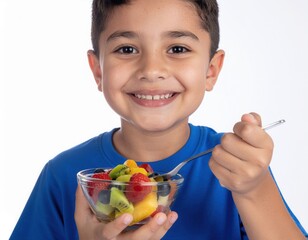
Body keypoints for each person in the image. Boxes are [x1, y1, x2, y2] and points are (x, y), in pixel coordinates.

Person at [10, 0, 307, 239]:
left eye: (178, 49)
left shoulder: (236, 168)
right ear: (98, 70)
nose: (151, 70)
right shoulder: (63, 175)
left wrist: (255, 190)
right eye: (127, 49)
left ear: (211, 70)